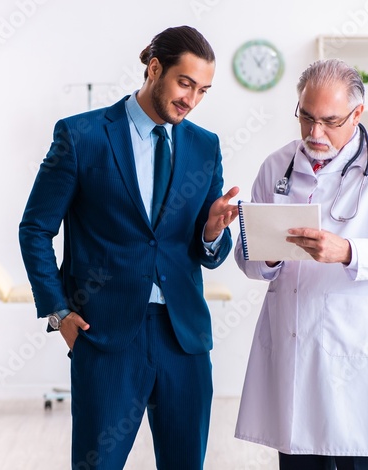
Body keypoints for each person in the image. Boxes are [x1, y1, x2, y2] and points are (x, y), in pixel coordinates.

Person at [19, 25, 239, 470]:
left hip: (183, 339)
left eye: (203, 90)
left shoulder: (205, 146)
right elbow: (35, 229)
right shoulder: (81, 136)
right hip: (104, 335)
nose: (191, 99)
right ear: (154, 69)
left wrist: (213, 232)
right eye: (184, 83)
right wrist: (57, 312)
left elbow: (206, 250)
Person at [234, 59, 368, 470]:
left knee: (362, 456)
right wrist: (268, 253)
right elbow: (247, 258)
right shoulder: (277, 166)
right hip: (292, 346)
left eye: (329, 121)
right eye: (306, 117)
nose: (314, 133)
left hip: (357, 353)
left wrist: (348, 251)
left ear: (357, 113)